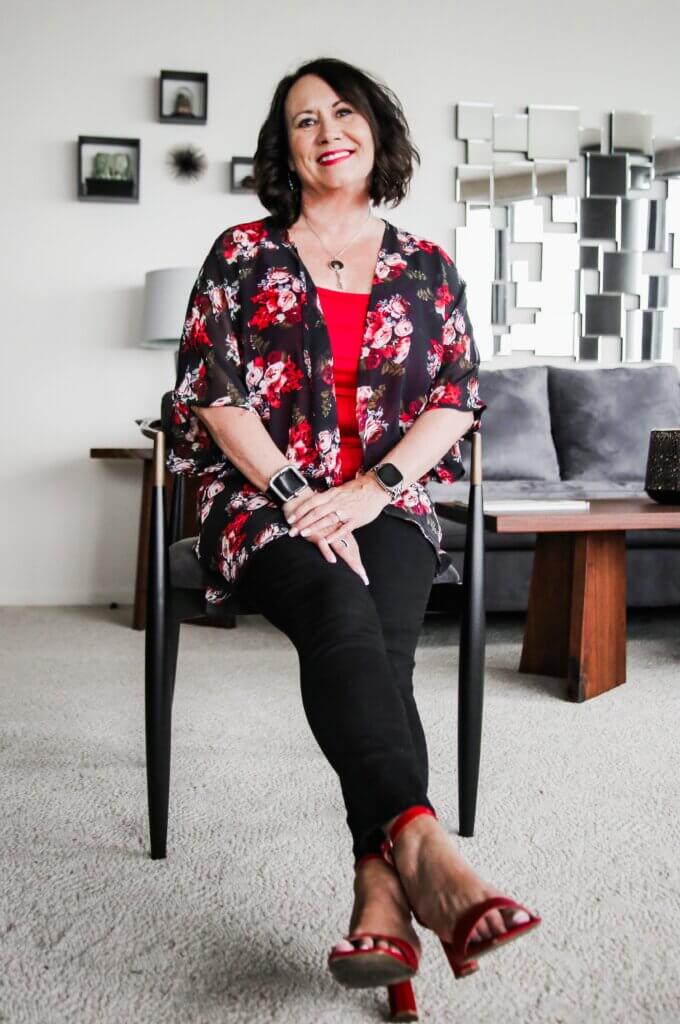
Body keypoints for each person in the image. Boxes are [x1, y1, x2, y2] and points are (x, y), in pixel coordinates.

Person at [166, 56, 540, 1018]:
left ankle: (382, 898)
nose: (327, 129)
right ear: (284, 149)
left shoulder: (427, 265)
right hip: (259, 497)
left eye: (344, 111)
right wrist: (300, 494)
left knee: (384, 639)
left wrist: (370, 491)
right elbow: (213, 394)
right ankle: (420, 850)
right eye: (303, 120)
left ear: (376, 130)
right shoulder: (242, 252)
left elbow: (457, 400)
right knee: (342, 605)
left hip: (390, 502)